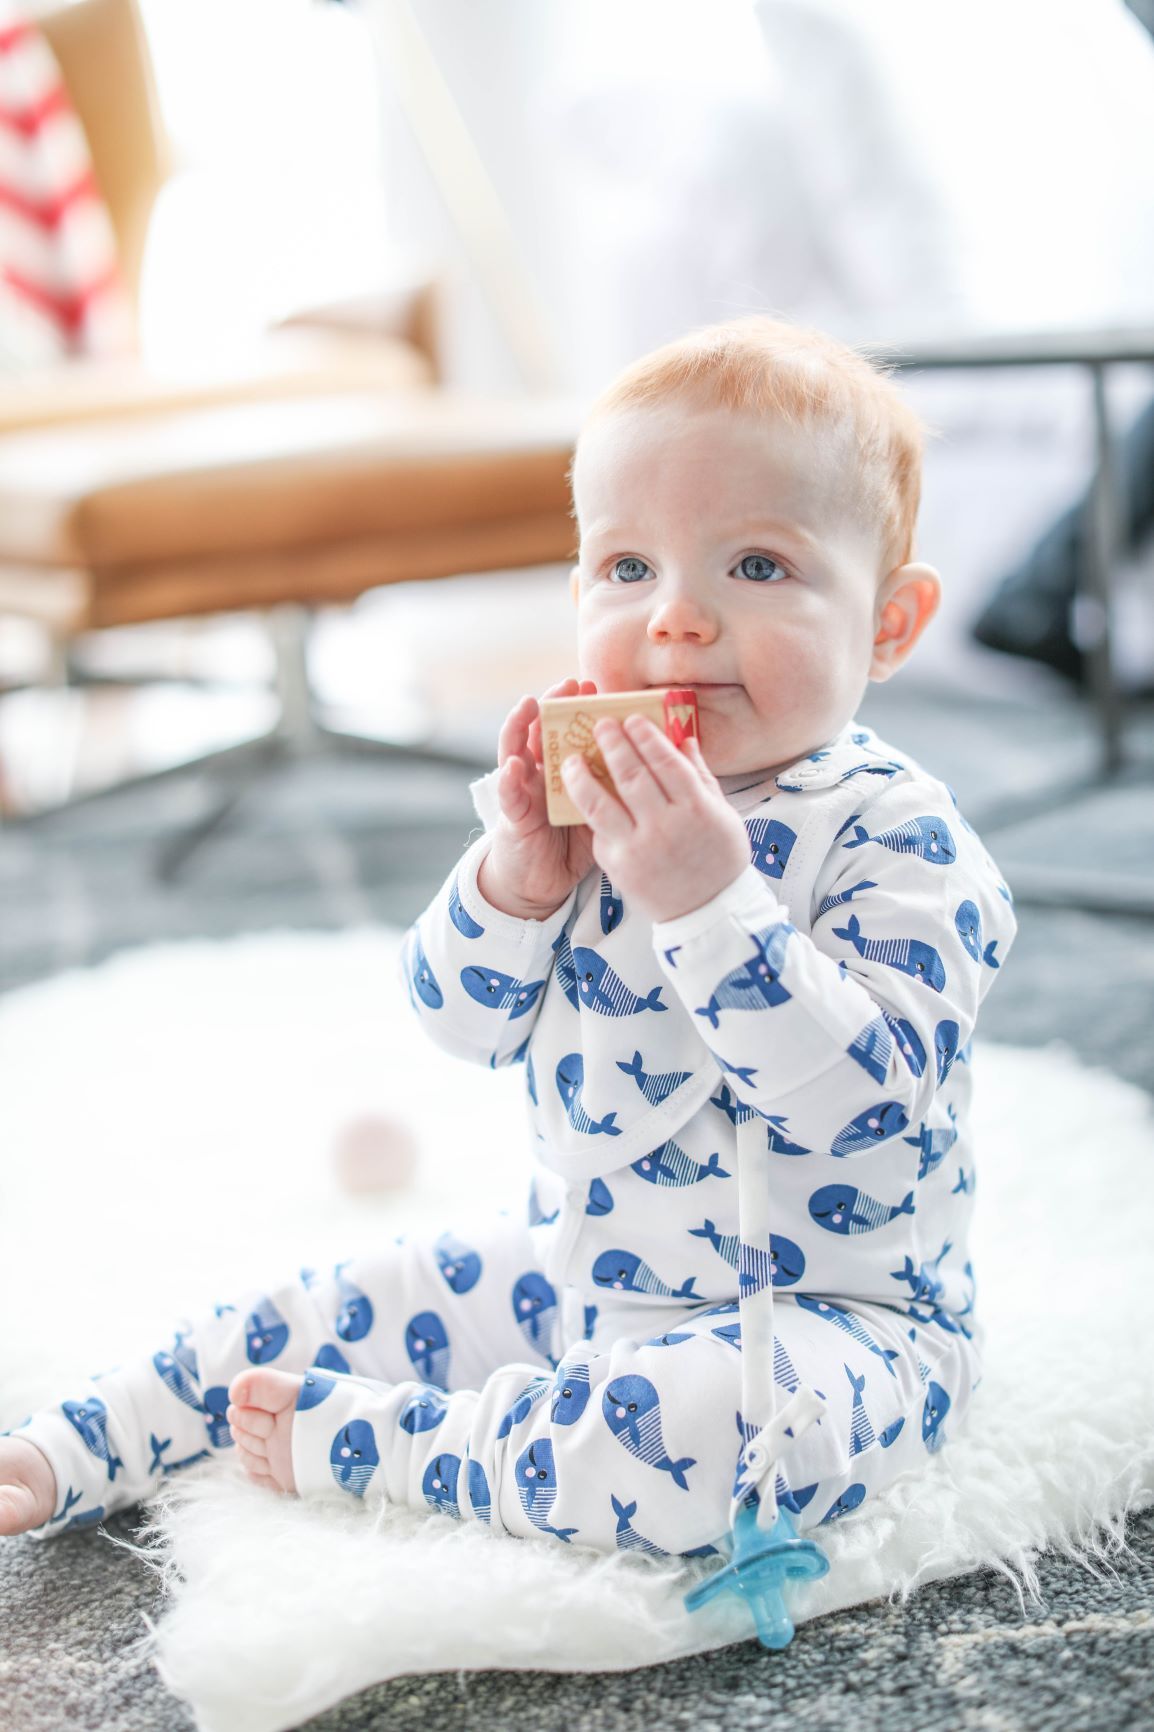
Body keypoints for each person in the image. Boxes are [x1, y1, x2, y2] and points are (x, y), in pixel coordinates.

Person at [0, 316, 1017, 1566]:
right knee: (334, 1296)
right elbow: (456, 1019)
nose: (677, 620)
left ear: (889, 624)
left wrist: (708, 900)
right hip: (580, 1267)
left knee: (713, 1445)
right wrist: (513, 884)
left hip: (827, 1322)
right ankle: (92, 1433)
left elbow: (857, 1103)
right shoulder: (587, 798)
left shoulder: (898, 837)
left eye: (755, 567)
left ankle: (409, 1446)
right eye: (626, 568)